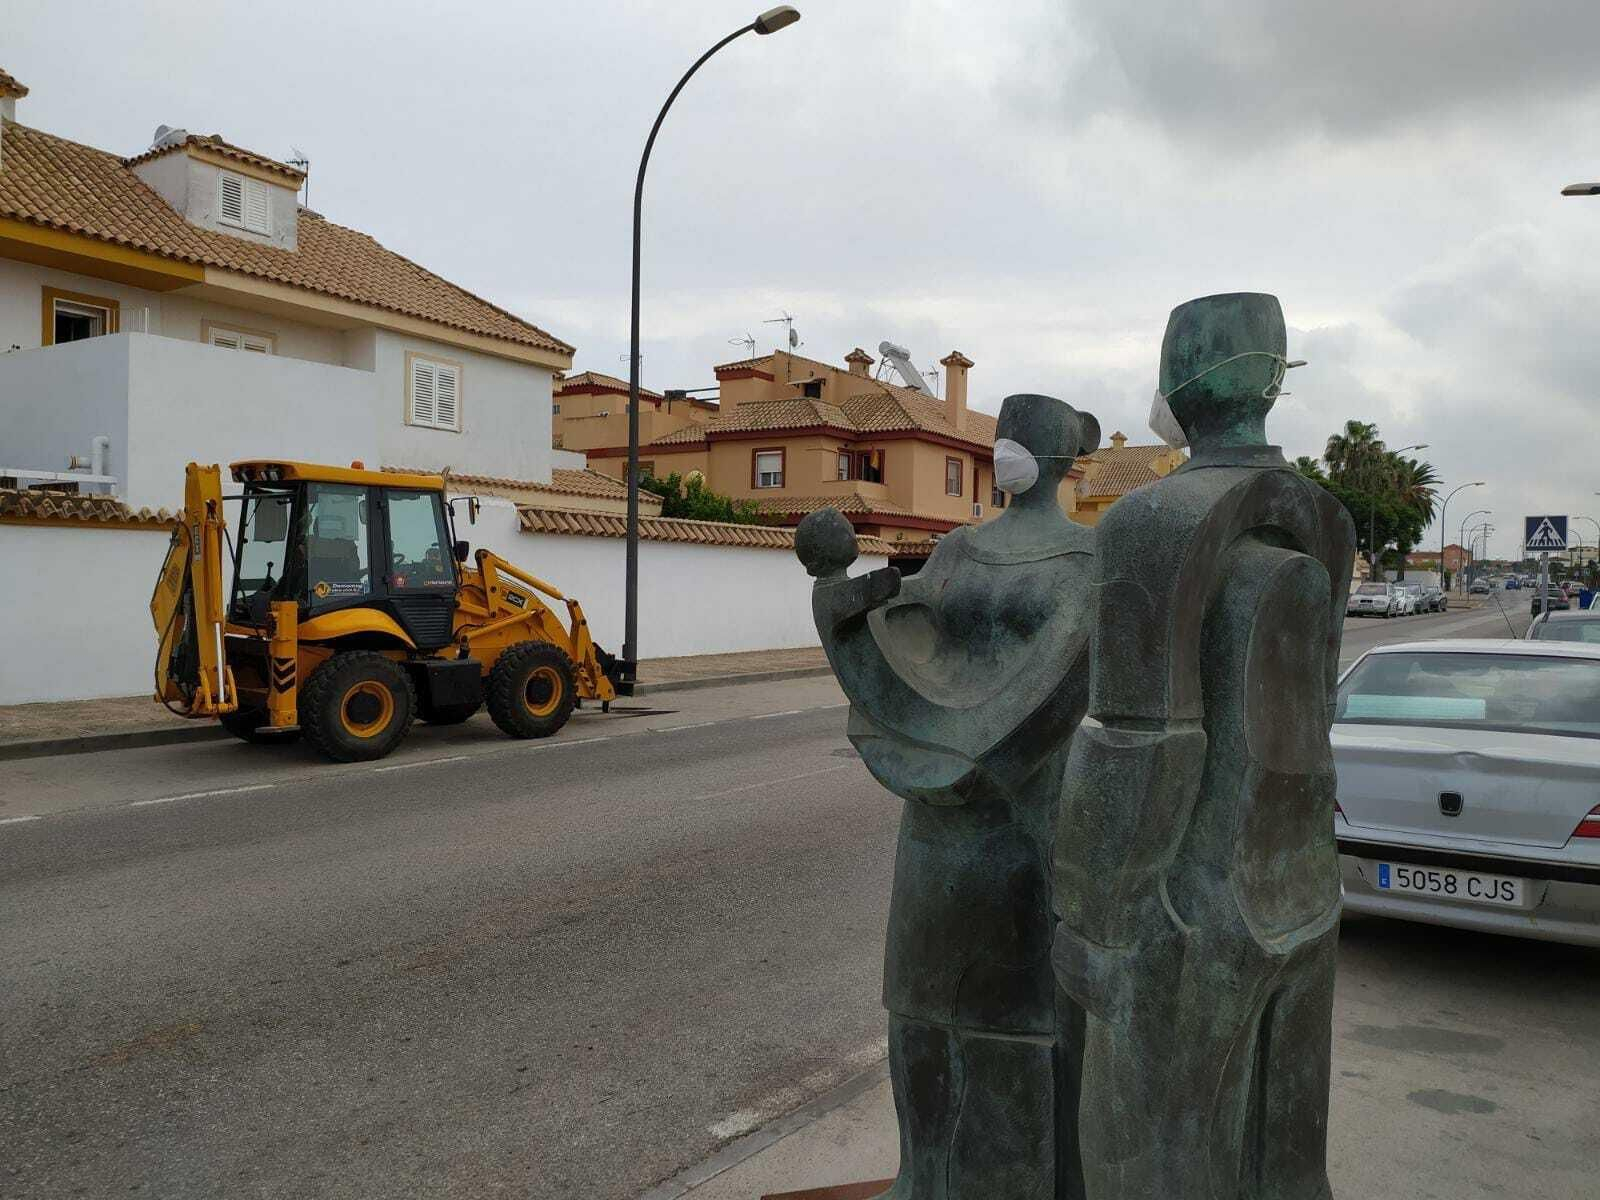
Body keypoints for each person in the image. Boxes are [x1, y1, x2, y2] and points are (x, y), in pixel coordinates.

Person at [1053, 293, 1355, 1200]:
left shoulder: (1150, 521)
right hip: (1300, 888)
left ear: (1179, 381)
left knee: (1149, 1159)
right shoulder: (1326, 520)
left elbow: (1138, 742)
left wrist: (1092, 918)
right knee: (1285, 1164)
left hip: (1182, 912)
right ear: (1272, 378)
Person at [796, 394, 1100, 1200]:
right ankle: (924, 1176)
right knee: (921, 1000)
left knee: (1022, 1006)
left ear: (1058, 458)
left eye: (1019, 441)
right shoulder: (961, 549)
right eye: (1001, 438)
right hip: (938, 820)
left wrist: (975, 755)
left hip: (1029, 812)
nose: (1004, 453)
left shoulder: (1090, 561)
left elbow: (1060, 681)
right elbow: (907, 632)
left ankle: (1026, 1183)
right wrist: (841, 603)